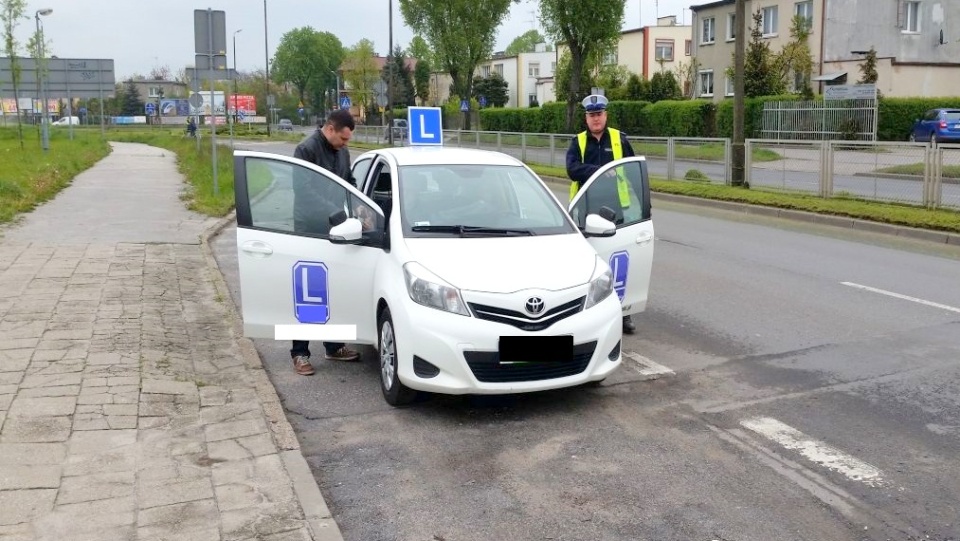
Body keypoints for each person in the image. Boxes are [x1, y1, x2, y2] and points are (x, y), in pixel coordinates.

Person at [290, 109, 363, 375]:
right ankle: (300, 353)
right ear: (330, 129)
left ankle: (334, 347)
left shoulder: (342, 151)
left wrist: (360, 206)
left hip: (337, 229)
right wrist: (339, 211)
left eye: (347, 141)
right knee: (309, 293)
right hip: (310, 228)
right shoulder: (306, 150)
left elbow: (349, 182)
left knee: (336, 287)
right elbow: (304, 192)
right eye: (343, 139)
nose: (345, 145)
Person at [565, 94, 638, 335]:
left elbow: (632, 171)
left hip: (617, 211)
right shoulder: (578, 142)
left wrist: (641, 208)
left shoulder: (619, 139)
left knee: (619, 262)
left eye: (599, 114)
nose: (596, 119)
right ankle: (586, 312)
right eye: (591, 115)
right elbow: (572, 170)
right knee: (588, 263)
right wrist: (599, 171)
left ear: (606, 115)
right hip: (586, 210)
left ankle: (624, 313)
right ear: (586, 118)